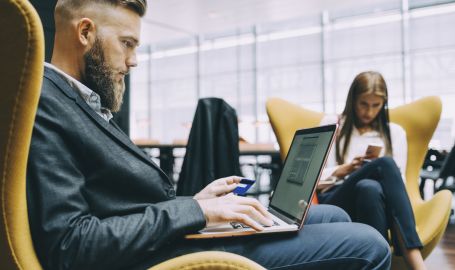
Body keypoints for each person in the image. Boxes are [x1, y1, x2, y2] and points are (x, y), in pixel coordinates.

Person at [26, 1, 391, 269]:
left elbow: (114, 203)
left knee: (335, 216)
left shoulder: (82, 102)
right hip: (157, 257)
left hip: (161, 238)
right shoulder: (46, 104)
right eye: (127, 43)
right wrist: (196, 211)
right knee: (370, 244)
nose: (134, 60)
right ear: (85, 32)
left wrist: (197, 203)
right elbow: (71, 246)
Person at [317, 71, 426, 270]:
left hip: (374, 200)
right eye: (363, 104)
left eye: (376, 105)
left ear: (383, 104)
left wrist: (368, 172)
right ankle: (417, 261)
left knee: (370, 187)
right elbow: (315, 180)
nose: (369, 112)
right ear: (352, 101)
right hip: (335, 199)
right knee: (384, 163)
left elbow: (397, 183)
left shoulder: (395, 132)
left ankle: (379, 263)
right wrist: (346, 169)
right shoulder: (332, 123)